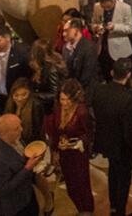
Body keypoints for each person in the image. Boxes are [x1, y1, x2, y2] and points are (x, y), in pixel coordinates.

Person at [93, 62, 132, 216]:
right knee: (123, 178)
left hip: (105, 140)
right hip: (122, 145)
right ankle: (120, 210)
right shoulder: (129, 98)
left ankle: (114, 206)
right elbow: (129, 129)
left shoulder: (99, 91)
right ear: (128, 75)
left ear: (112, 72)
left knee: (113, 173)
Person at [46, 78, 94, 215]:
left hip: (78, 154)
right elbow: (54, 130)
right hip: (64, 154)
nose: (65, 103)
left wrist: (77, 142)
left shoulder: (82, 112)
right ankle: (79, 208)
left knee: (82, 184)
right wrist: (55, 149)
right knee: (71, 184)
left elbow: (89, 133)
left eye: (68, 100)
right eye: (62, 99)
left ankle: (87, 210)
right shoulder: (58, 108)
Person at [0, 113, 39, 216]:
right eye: (16, 128)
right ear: (5, 133)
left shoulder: (15, 139)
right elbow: (4, 189)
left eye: (20, 125)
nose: (21, 129)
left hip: (26, 195)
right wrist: (27, 168)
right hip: (15, 207)